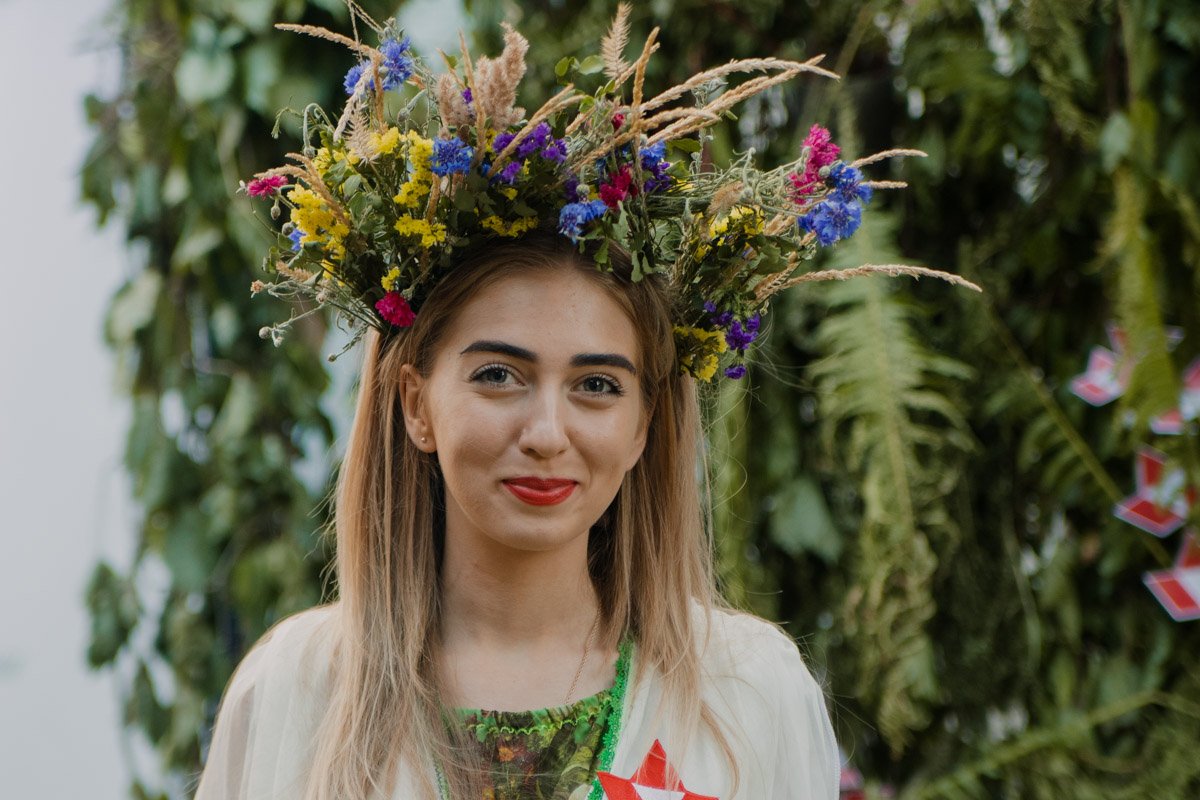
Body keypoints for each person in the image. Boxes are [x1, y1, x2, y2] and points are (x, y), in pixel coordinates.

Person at [196, 5, 970, 798]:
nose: (546, 433)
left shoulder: (748, 698)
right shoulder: (296, 694)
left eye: (598, 386)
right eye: (499, 374)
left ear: (646, 424)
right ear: (414, 402)